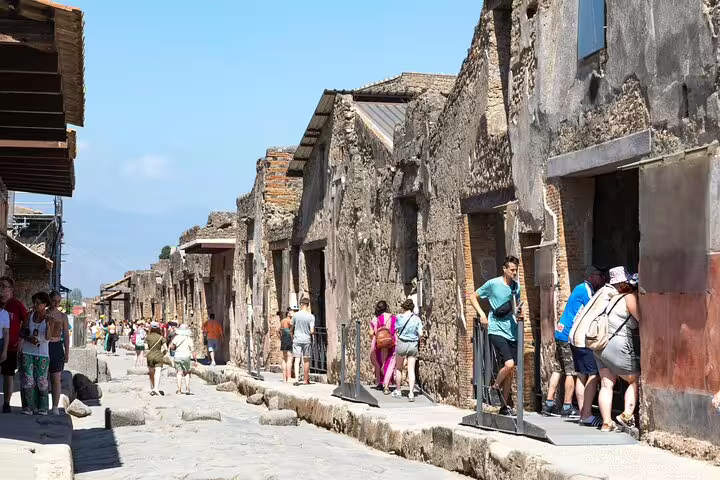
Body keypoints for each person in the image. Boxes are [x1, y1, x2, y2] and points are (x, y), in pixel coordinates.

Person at [543, 268, 606, 418]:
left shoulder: (579, 287)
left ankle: (549, 403)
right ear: (592, 276)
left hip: (560, 331)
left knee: (558, 369)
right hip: (568, 335)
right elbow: (594, 309)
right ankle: (567, 405)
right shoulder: (586, 291)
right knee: (571, 371)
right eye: (600, 277)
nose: (603, 280)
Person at [469, 255, 522, 416]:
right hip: (496, 329)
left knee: (510, 371)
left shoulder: (516, 287)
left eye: (516, 270)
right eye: (512, 270)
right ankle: (495, 386)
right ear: (504, 269)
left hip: (512, 331)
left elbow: (516, 306)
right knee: (509, 364)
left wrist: (520, 314)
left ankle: (504, 406)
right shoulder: (493, 284)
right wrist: (482, 315)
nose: (514, 273)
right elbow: (473, 297)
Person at [595, 267, 641, 433]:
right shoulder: (628, 298)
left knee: (607, 384)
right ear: (625, 283)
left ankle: (606, 423)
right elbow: (640, 319)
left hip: (600, 345)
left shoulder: (609, 298)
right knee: (634, 379)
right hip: (617, 345)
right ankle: (627, 415)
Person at [20, 292, 52, 415]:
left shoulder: (49, 319)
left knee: (41, 381)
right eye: (35, 302)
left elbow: (49, 337)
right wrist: (29, 338)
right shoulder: (29, 315)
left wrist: (49, 325)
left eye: (39, 303)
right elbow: (22, 332)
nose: (36, 305)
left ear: (45, 304)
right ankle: (28, 407)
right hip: (27, 351)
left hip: (43, 353)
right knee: (28, 380)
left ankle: (42, 407)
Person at [0, 275, 28, 413]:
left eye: (4, 286)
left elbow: (27, 319)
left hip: (10, 347)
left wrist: (21, 337)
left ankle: (6, 403)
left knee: (8, 375)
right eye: (0, 286)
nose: (1, 289)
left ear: (11, 290)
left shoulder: (16, 305)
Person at [393, 298, 423, 401]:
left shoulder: (399, 317)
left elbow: (395, 330)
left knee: (399, 368)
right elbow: (420, 334)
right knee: (411, 369)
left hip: (402, 343)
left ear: (403, 307)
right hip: (413, 344)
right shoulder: (417, 319)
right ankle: (411, 393)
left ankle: (398, 390)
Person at [47, 291, 70, 415]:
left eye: (58, 301)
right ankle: (43, 405)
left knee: (56, 378)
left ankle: (55, 406)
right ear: (49, 300)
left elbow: (66, 335)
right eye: (54, 300)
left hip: (56, 346)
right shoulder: (44, 313)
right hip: (44, 346)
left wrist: (67, 352)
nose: (56, 303)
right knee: (43, 378)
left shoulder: (63, 316)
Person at [370, 300, 396, 394]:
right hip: (390, 343)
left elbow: (371, 333)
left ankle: (380, 382)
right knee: (390, 363)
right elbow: (395, 331)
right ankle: (386, 385)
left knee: (379, 362)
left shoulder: (375, 319)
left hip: (378, 344)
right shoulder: (393, 318)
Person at [292, 297, 315, 386]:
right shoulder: (311, 316)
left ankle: (297, 379)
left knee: (297, 359)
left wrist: (292, 336)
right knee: (306, 359)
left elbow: (292, 327)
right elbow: (312, 331)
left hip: (297, 339)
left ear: (301, 304)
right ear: (308, 305)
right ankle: (306, 379)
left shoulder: (295, 315)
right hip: (306, 340)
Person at [170, 324, 197, 394]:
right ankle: (188, 389)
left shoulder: (176, 338)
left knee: (179, 373)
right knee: (187, 372)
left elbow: (171, 347)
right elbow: (193, 350)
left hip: (178, 356)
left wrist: (174, 347)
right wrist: (195, 360)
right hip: (186, 356)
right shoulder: (189, 339)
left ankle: (179, 389)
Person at [145, 321, 167, 396]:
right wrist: (162, 354)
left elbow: (145, 347)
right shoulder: (161, 337)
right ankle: (156, 388)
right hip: (158, 355)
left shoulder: (148, 337)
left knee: (151, 372)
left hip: (150, 355)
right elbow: (165, 349)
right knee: (158, 372)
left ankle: (152, 388)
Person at [278, 307, 296, 382]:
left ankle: (284, 378)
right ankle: (288, 378)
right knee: (289, 358)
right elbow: (292, 329)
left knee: (284, 358)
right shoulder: (289, 321)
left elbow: (277, 330)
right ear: (288, 314)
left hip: (283, 338)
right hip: (288, 338)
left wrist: (280, 338)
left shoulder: (282, 321)